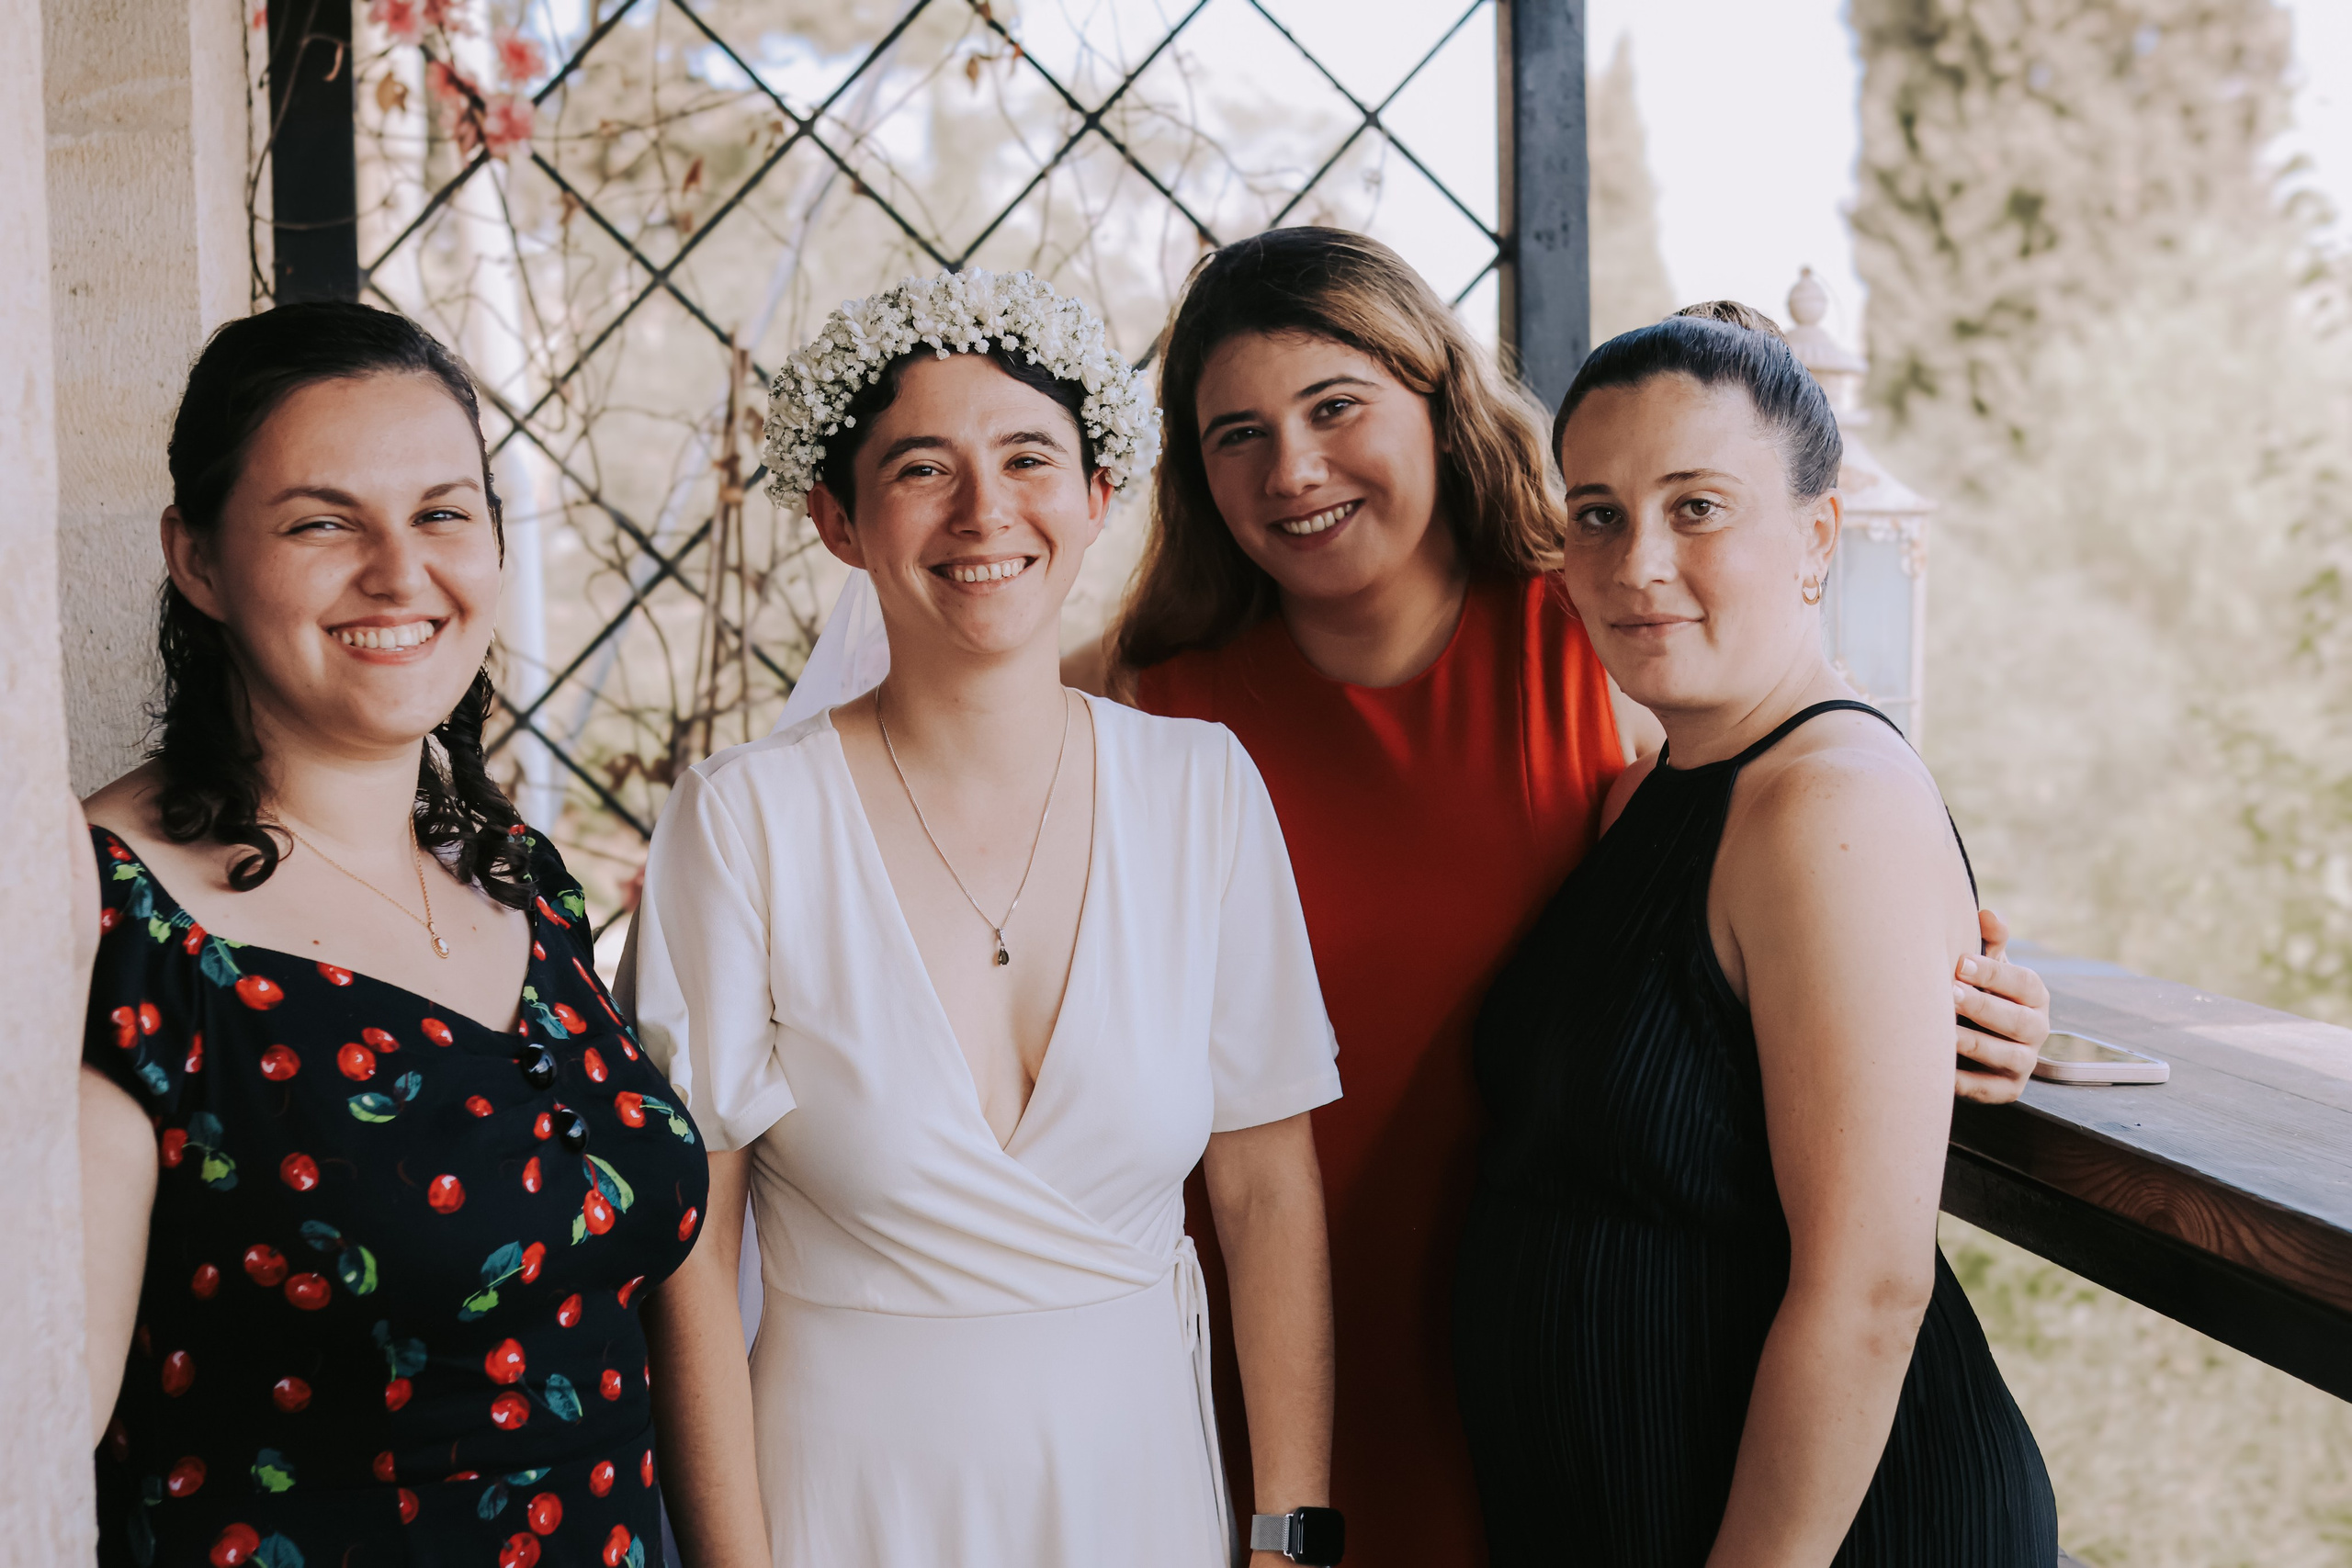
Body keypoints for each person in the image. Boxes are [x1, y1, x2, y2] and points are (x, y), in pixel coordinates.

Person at [1080, 227, 2053, 1567]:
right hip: (1286, 1363)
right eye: (1235, 433)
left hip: (1603, 1402)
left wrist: (1975, 985)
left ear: (1437, 401)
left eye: (1337, 407)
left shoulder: (1601, 636)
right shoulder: (1141, 707)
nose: (1292, 467)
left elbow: (1812, 843)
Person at [634, 269, 1343, 1567]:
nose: (985, 513)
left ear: (1097, 497)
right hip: (846, 1503)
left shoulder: (1202, 793)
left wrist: (1288, 1539)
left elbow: (1264, 1194)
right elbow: (692, 1250)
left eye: (1030, 457)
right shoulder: (743, 823)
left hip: (1137, 1496)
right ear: (838, 522)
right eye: (920, 468)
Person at [76, 302, 706, 1568]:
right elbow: (29, 1435)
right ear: (196, 561)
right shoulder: (102, 918)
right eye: (321, 521)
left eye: (442, 512)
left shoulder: (521, 882)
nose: (401, 573)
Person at [1453, 312, 2057, 1562]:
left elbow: (1869, 1292)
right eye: (1600, 513)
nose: (1637, 563)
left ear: (1818, 539)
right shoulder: (1656, 790)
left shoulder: (1829, 800)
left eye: (1699, 508)